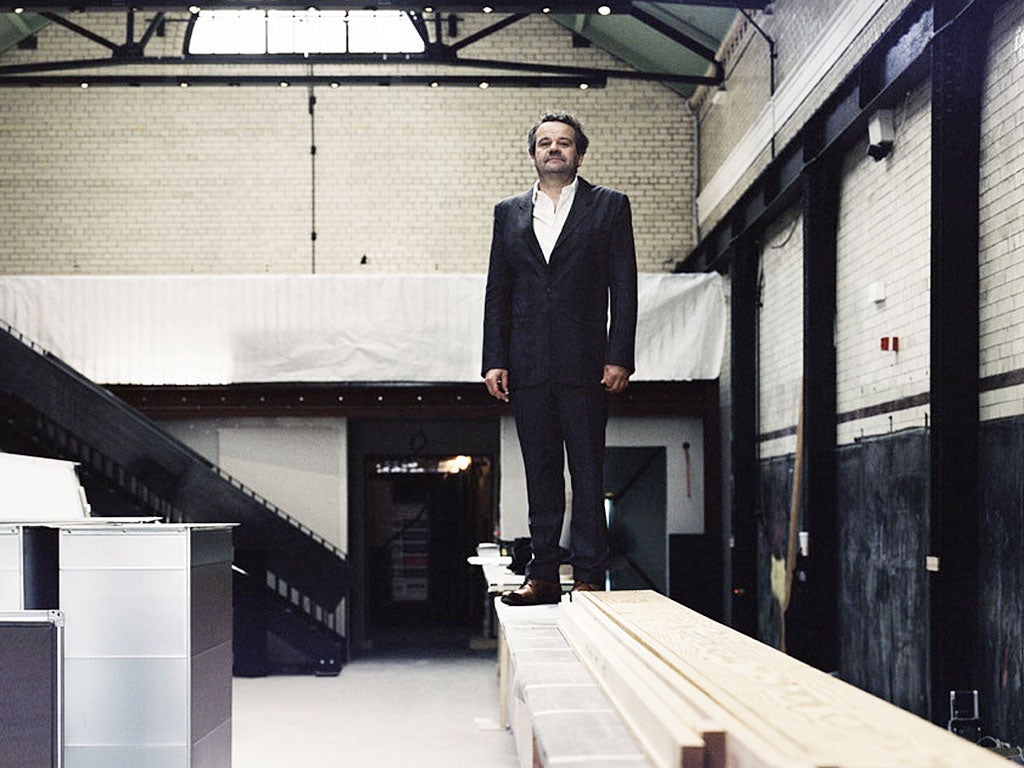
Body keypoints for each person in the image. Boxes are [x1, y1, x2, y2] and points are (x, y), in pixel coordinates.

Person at [481, 111, 638, 606]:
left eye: (564, 142)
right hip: (527, 364)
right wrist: (494, 359)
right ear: (533, 154)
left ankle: (588, 574)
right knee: (540, 471)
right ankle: (544, 574)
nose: (554, 148)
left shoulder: (609, 206)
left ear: (579, 154)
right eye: (545, 142)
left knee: (588, 471)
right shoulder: (508, 212)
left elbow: (625, 287)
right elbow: (498, 291)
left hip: (586, 362)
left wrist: (619, 356)